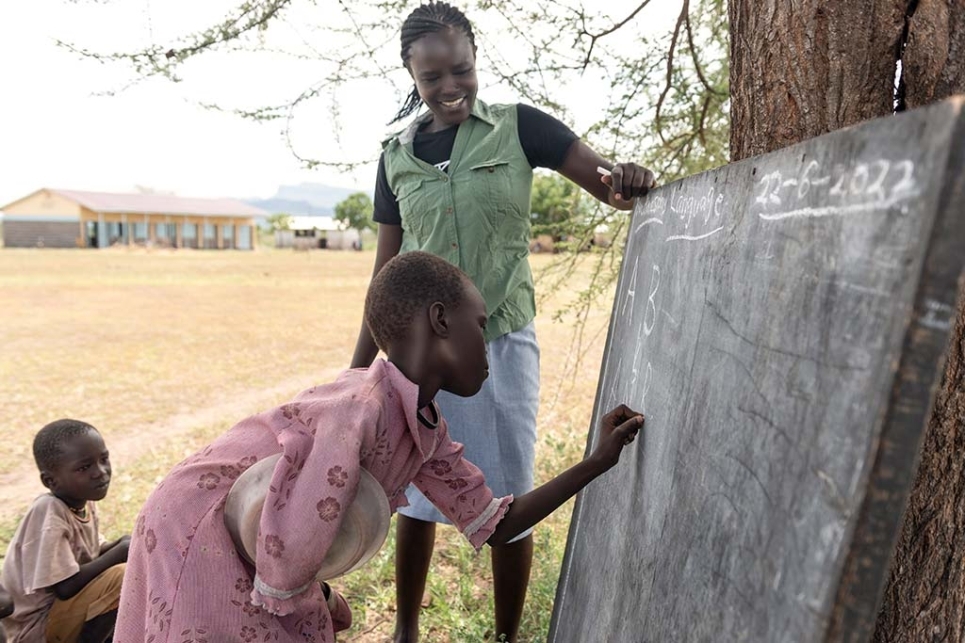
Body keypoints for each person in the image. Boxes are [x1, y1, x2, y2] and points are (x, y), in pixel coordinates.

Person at [115, 251, 644, 643]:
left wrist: (597, 462)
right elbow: (286, 559)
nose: (486, 347)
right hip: (198, 522)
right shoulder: (358, 410)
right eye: (479, 326)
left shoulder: (424, 430)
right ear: (440, 320)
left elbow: (495, 523)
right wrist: (317, 604)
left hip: (260, 535)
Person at [348, 3, 656, 641]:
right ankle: (406, 630)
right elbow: (384, 277)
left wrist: (626, 177)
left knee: (510, 491)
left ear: (475, 61)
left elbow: (610, 187)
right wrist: (355, 375)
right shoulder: (394, 157)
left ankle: (508, 636)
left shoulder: (519, 129)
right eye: (433, 78)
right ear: (411, 74)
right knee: (415, 493)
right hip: (417, 361)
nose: (451, 88)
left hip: (500, 346)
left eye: (462, 70)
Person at [1, 420, 129, 643]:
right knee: (121, 576)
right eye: (84, 467)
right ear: (51, 481)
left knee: (127, 561)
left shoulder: (82, 501)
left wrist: (125, 542)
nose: (100, 472)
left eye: (104, 459)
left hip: (59, 615)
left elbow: (92, 554)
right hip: (36, 627)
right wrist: (122, 551)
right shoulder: (48, 511)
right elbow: (65, 586)